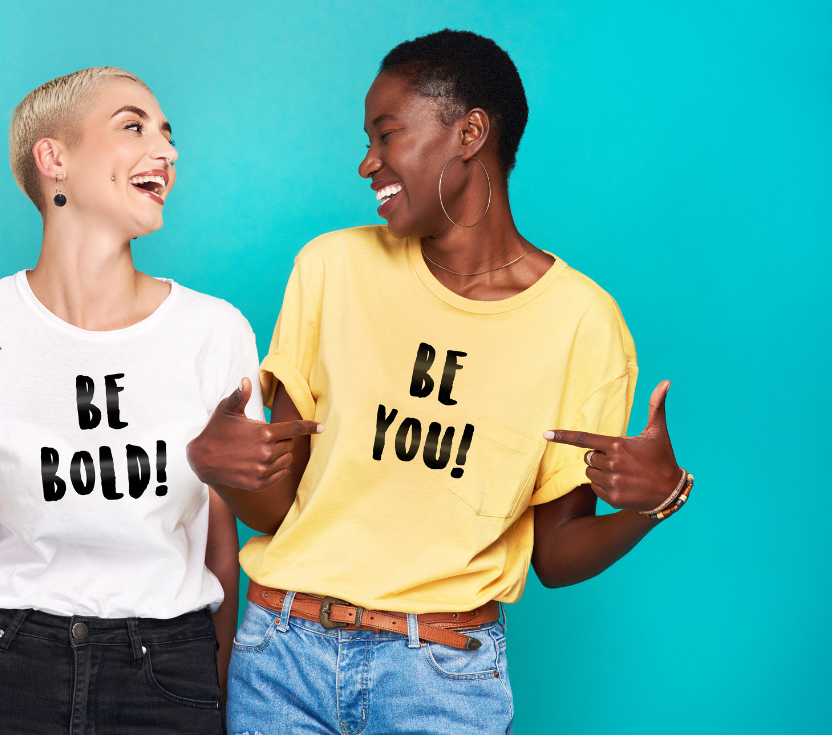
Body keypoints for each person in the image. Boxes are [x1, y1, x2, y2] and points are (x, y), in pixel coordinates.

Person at [187, 30, 691, 734]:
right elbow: (276, 509)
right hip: (283, 657)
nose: (368, 162)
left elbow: (556, 553)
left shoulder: (583, 322)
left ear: (470, 131)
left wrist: (659, 500)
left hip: (442, 678)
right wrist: (220, 466)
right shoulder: (332, 269)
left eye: (387, 135)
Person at [0, 67, 278, 734]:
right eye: (134, 126)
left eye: (168, 135)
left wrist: (221, 692)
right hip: (2, 664)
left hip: (168, 668)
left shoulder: (214, 331)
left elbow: (220, 545)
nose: (167, 151)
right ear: (53, 158)